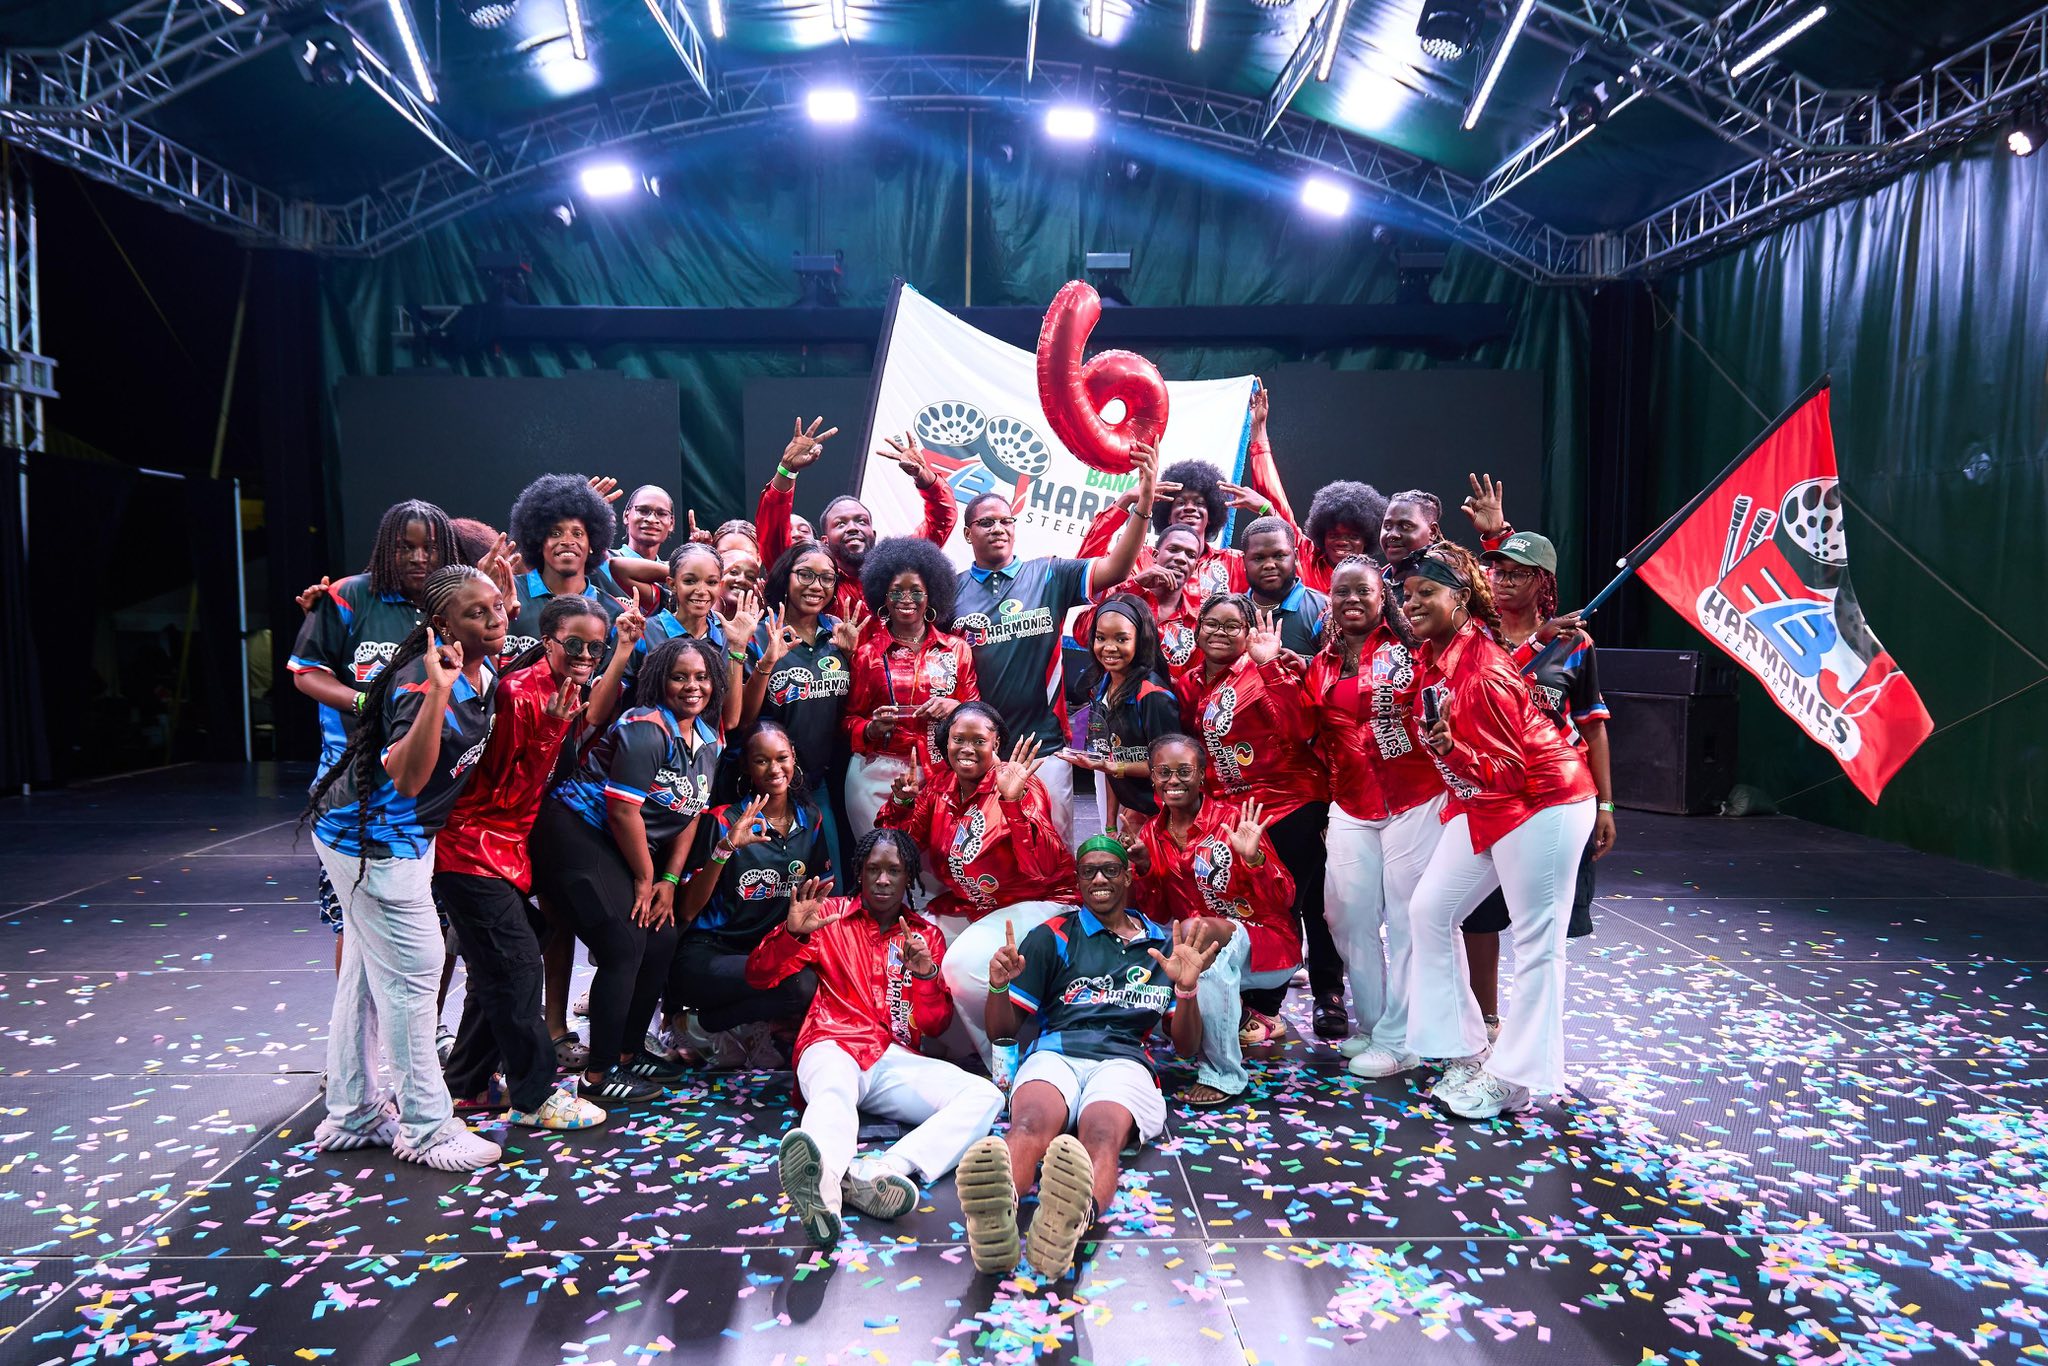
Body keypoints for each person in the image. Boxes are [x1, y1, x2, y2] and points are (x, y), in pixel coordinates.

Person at [300, 563, 506, 1171]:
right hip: (374, 844)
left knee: (366, 973)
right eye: (476, 613)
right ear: (442, 624)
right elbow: (410, 779)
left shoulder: (480, 668)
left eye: (497, 606)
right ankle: (426, 1129)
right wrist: (438, 694)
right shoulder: (424, 681)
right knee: (413, 980)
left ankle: (354, 1111)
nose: (494, 619)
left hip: (393, 837)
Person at [953, 837, 1218, 1281]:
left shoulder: (1162, 945)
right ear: (1077, 880)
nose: (1099, 879)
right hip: (1056, 1051)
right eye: (1088, 871)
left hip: (1124, 1061)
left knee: (1101, 1135)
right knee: (1029, 1125)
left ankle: (1071, 1221)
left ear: (1128, 876)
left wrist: (1187, 989)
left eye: (1109, 869)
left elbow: (1187, 1047)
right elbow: (1002, 1033)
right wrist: (998, 985)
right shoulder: (1053, 935)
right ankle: (998, 1215)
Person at [1400, 543, 1597, 1120]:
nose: (1412, 603)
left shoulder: (1481, 671)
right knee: (1429, 911)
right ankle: (1465, 1049)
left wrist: (1452, 751)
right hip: (1485, 801)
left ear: (1459, 599)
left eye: (1426, 593)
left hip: (1543, 802)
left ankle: (1516, 1079)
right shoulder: (1439, 656)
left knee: (1538, 942)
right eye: (1407, 595)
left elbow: (1512, 770)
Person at [746, 832, 1006, 1248]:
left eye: (894, 871)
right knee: (832, 1093)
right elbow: (758, 976)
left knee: (984, 1095)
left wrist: (925, 976)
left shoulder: (925, 936)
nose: (883, 880)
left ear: (909, 878)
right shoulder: (827, 915)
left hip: (892, 1059)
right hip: (832, 1041)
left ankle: (880, 1171)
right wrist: (792, 934)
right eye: (873, 870)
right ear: (860, 873)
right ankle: (824, 1195)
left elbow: (935, 1025)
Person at [433, 595, 634, 1131]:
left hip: (502, 850)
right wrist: (549, 729)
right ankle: (534, 1095)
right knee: (518, 966)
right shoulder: (521, 693)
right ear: (548, 642)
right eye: (575, 644)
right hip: (473, 849)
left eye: (596, 647)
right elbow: (499, 789)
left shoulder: (563, 689)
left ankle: (467, 1084)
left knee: (503, 965)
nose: (586, 655)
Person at [532, 635, 726, 1103]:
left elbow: (691, 814)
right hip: (575, 831)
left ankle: (627, 1051)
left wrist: (669, 879)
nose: (693, 686)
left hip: (625, 845)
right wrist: (644, 877)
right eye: (680, 677)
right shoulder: (645, 727)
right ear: (661, 681)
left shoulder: (710, 738)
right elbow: (622, 812)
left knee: (661, 936)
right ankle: (598, 1076)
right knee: (623, 942)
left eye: (702, 677)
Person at [952, 444, 1158, 838]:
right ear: (967, 533)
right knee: (988, 857)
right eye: (986, 522)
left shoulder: (1049, 574)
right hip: (979, 753)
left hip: (1045, 749)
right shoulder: (951, 592)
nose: (998, 528)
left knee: (1055, 854)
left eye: (1006, 520)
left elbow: (1117, 568)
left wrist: (1142, 508)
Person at [288, 500, 463, 962]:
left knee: (432, 925)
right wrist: (364, 702)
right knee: (356, 924)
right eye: (406, 547)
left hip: (427, 798)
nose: (419, 558)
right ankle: (365, 1012)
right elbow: (306, 673)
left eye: (430, 548)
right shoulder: (349, 596)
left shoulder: (452, 602)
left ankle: (419, 1011)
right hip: (355, 795)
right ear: (387, 548)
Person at [1460, 530, 1616, 1032]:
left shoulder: (1574, 644)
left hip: (1557, 798)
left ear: (1542, 582)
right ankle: (1486, 1021)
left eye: (1517, 574)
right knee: (1478, 915)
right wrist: (1536, 640)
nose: (1503, 581)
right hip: (1490, 791)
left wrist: (1606, 806)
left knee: (1541, 927)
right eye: (1497, 571)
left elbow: (1592, 724)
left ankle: (1532, 1038)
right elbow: (1485, 684)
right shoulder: (1476, 635)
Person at [1305, 556, 1448, 1077]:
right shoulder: (1319, 665)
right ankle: (1373, 1025)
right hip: (1351, 803)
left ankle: (1401, 1040)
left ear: (1381, 595)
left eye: (1362, 590)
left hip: (1416, 799)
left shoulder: (1413, 649)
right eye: (1340, 591)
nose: (1351, 599)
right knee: (1346, 915)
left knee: (1408, 921)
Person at [877, 701, 1076, 1065]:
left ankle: (1009, 1063)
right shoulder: (941, 786)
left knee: (962, 967)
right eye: (958, 739)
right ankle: (956, 1046)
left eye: (978, 740)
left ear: (996, 743)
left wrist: (1013, 804)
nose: (967, 748)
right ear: (946, 741)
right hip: (974, 907)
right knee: (908, 949)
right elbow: (901, 850)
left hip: (1040, 901)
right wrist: (902, 803)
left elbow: (1043, 868)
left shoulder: (1019, 785)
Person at [1177, 592, 1333, 1042]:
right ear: (1197, 629)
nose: (1220, 633)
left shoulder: (1263, 670)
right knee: (1245, 904)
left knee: (1285, 905)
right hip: (1234, 815)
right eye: (1212, 623)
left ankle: (1270, 1009)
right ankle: (1246, 998)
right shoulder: (1190, 682)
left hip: (1290, 808)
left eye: (1232, 626)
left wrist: (1269, 666)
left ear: (1248, 634)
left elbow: (1300, 729)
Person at [1125, 735, 1299, 1107]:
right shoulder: (1151, 833)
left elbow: (1284, 899)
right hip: (1203, 950)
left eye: (1184, 771)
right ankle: (1231, 1022)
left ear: (1202, 774)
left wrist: (1255, 860)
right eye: (1164, 772)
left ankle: (1223, 1074)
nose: (1173, 780)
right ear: (1152, 777)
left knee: (1194, 934)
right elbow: (1157, 914)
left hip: (1268, 945)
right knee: (1174, 954)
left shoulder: (1233, 820)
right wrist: (1144, 870)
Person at [663, 721, 830, 1060]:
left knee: (808, 983)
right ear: (746, 768)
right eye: (761, 761)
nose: (774, 769)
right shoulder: (724, 820)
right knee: (786, 981)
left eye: (781, 758)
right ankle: (694, 1027)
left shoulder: (810, 819)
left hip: (767, 951)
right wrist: (725, 848)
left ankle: (725, 1028)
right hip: (708, 954)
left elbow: (815, 897)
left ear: (794, 758)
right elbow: (687, 909)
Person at [740, 542, 864, 879]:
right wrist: (767, 663)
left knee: (831, 883)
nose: (816, 586)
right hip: (768, 782)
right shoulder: (760, 634)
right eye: (806, 574)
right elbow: (742, 718)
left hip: (822, 782)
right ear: (786, 576)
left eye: (826, 578)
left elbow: (852, 706)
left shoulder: (837, 631)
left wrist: (852, 657)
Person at [757, 419, 959, 621]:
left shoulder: (897, 569)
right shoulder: (809, 578)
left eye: (861, 521)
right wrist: (787, 470)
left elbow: (941, 520)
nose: (853, 528)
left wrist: (923, 475)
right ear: (824, 541)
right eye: (840, 523)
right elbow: (772, 531)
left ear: (874, 535)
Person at [842, 536, 977, 840]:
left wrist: (955, 707)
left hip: (941, 772)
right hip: (875, 775)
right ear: (883, 596)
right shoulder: (867, 655)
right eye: (896, 591)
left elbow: (977, 713)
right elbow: (848, 720)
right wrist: (871, 728)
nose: (906, 598)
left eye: (916, 591)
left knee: (931, 864)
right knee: (881, 858)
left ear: (931, 595)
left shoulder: (956, 649)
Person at [1064, 595, 1181, 829]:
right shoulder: (1102, 687)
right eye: (1101, 638)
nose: (1109, 647)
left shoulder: (1152, 696)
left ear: (1141, 641)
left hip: (1163, 817)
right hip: (1131, 812)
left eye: (1121, 639)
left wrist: (1114, 767)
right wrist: (1110, 826)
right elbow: (1111, 761)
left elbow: (1170, 767)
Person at [629, 541, 752, 732]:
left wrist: (738, 647)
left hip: (705, 749)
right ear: (672, 584)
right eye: (689, 581)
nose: (701, 591)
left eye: (711, 582)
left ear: (720, 585)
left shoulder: (725, 637)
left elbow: (729, 721)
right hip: (650, 745)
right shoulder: (646, 631)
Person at [505, 474, 626, 659]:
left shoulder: (613, 611)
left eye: (577, 533)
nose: (567, 541)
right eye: (555, 533)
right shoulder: (509, 592)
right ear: (538, 541)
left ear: (592, 543)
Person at [1242, 516, 1328, 661]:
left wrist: (1305, 666)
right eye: (1259, 558)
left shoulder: (1324, 611)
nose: (1269, 565)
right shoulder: (1232, 612)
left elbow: (1340, 668)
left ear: (1296, 556)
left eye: (1279, 555)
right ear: (1244, 561)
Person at [1299, 481, 1386, 594]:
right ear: (1322, 536)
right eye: (1333, 535)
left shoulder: (1378, 580)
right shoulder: (1306, 559)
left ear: (1366, 540)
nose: (1342, 542)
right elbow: (1280, 509)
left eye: (1353, 536)